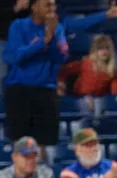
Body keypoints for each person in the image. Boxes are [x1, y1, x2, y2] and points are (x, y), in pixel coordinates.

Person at [3, 0, 69, 150]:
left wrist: (51, 39)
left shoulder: (57, 29)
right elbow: (17, 57)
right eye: (47, 5)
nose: (52, 9)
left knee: (44, 144)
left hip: (46, 91)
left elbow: (61, 57)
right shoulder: (18, 26)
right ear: (34, 7)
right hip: (19, 90)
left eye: (53, 5)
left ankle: (43, 173)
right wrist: (42, 42)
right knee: (19, 144)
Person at [57, 34, 117, 99]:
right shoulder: (86, 63)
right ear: (95, 50)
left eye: (107, 48)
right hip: (79, 99)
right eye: (100, 48)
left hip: (100, 102)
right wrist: (61, 83)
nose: (104, 51)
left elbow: (115, 94)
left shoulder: (112, 70)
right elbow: (64, 70)